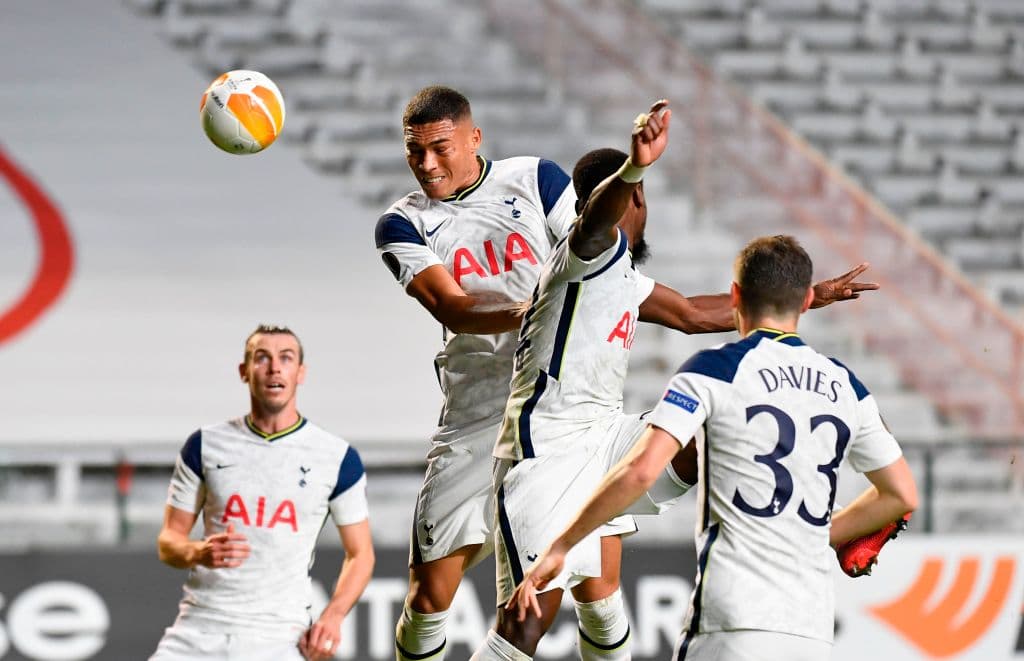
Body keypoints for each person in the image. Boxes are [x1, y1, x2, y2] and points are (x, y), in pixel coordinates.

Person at [377, 86, 877, 661]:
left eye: (439, 148)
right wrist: (550, 299)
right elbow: (456, 307)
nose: (427, 164)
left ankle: (786, 535)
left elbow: (687, 311)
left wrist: (808, 297)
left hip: (593, 427)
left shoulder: (543, 189)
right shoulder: (405, 223)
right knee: (435, 600)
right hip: (499, 425)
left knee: (605, 583)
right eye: (415, 152)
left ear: (473, 138)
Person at [509, 236, 918, 661]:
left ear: (735, 295)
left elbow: (641, 472)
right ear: (808, 299)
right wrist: (823, 535)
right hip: (811, 628)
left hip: (732, 619)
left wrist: (561, 545)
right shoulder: (845, 384)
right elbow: (901, 495)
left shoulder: (716, 370)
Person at [150, 325, 374, 661]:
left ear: (300, 373)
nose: (274, 367)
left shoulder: (337, 457)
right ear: (244, 372)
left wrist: (333, 616)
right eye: (261, 358)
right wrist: (198, 552)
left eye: (286, 358)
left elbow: (361, 554)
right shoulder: (206, 445)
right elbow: (169, 541)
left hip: (280, 637)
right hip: (198, 630)